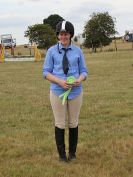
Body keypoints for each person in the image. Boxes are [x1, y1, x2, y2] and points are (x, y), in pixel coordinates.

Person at [42, 20, 88, 162]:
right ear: (58, 35)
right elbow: (45, 72)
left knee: (73, 123)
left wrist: (79, 80)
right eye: (61, 34)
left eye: (66, 34)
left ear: (70, 35)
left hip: (75, 92)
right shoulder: (51, 51)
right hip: (57, 92)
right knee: (60, 123)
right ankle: (62, 156)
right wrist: (59, 81)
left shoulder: (78, 51)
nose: (63, 37)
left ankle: (72, 154)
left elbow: (84, 72)